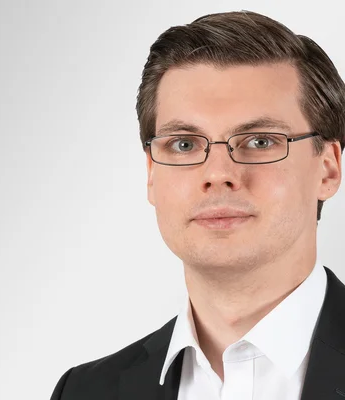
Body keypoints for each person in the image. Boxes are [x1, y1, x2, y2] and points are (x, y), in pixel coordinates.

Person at [50, 10, 345, 399]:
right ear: (151, 173)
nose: (218, 173)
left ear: (328, 169)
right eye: (184, 144)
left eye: (260, 141)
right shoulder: (85, 391)